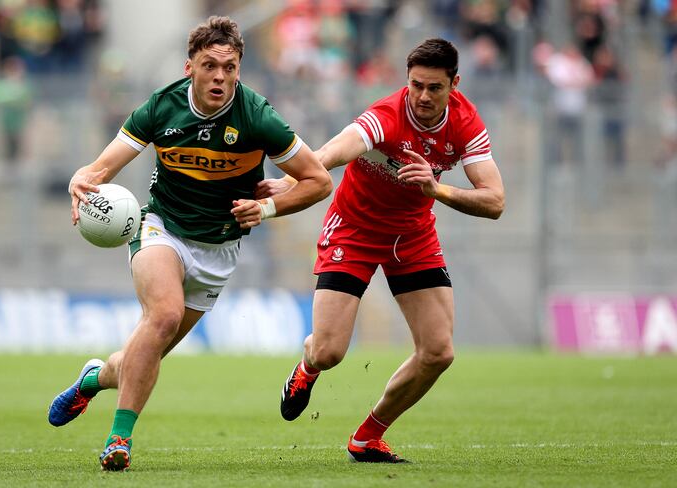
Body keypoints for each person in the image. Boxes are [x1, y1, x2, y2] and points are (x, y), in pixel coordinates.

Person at [47, 16, 332, 471]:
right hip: (161, 227)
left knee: (144, 354)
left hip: (219, 250)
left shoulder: (258, 116)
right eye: (209, 65)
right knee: (162, 316)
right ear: (189, 68)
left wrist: (268, 210)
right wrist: (82, 179)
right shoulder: (161, 108)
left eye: (230, 67)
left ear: (240, 68)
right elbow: (101, 168)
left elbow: (319, 181)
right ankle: (119, 440)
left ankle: (91, 381)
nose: (220, 77)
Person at [259, 38, 504, 463]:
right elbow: (339, 148)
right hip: (353, 230)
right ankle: (308, 366)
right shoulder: (388, 115)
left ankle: (368, 436)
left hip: (412, 236)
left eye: (434, 88)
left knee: (438, 352)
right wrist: (300, 177)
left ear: (455, 84)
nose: (423, 97)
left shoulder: (465, 123)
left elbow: (496, 201)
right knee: (330, 351)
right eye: (416, 85)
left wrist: (437, 189)